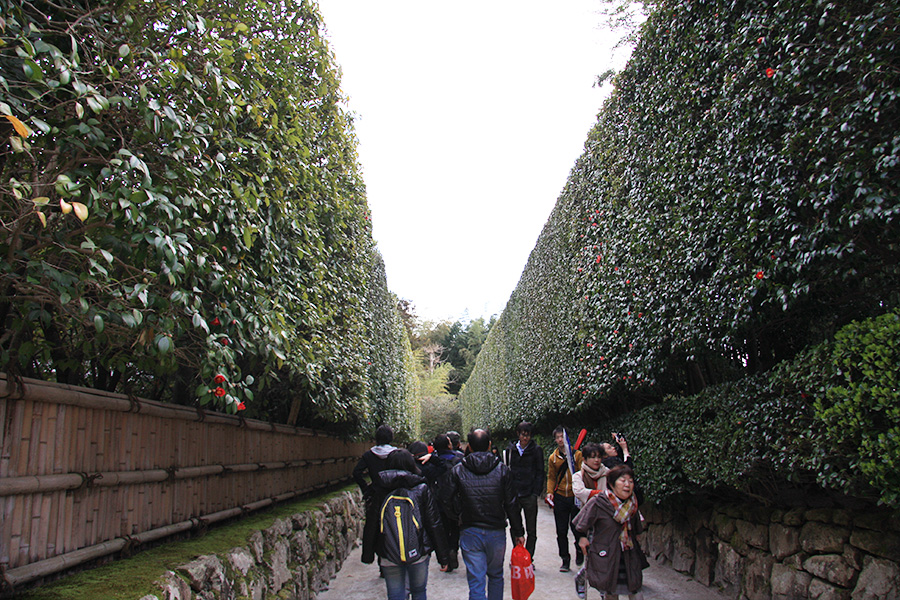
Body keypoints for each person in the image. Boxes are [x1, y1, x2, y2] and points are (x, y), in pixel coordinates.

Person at [442, 428, 525, 600]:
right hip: (496, 531)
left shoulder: (458, 471)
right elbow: (512, 504)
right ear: (489, 445)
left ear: (469, 447)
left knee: (476, 581)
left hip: (470, 530)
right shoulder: (502, 470)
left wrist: (458, 515)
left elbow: (445, 500)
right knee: (495, 576)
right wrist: (518, 532)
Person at [373, 449, 450, 600]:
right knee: (419, 590)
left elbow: (372, 523)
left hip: (389, 551)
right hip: (419, 550)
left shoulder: (380, 489)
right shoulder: (421, 488)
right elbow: (433, 523)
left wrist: (369, 553)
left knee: (395, 594)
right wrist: (443, 556)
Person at [573, 464, 647, 600]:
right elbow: (580, 524)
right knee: (610, 592)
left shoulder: (632, 504)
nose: (627, 485)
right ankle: (582, 577)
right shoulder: (599, 502)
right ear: (612, 484)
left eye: (630, 481)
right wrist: (582, 538)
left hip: (628, 555)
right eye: (623, 480)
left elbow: (637, 529)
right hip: (607, 555)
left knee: (636, 591)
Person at [352, 424, 397, 564]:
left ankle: (375, 557)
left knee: (374, 527)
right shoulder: (396, 454)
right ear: (391, 438)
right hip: (393, 495)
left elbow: (356, 473)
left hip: (376, 495)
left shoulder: (369, 455)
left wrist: (366, 488)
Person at [571, 442, 609, 598]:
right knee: (592, 556)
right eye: (592, 457)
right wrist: (601, 494)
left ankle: (603, 591)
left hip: (606, 520)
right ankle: (581, 578)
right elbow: (580, 492)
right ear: (585, 459)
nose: (596, 460)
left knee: (605, 556)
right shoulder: (578, 476)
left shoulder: (608, 474)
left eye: (599, 457)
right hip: (588, 522)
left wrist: (596, 494)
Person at [503, 421, 544, 561]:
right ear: (518, 434)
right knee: (515, 526)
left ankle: (528, 557)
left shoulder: (536, 450)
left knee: (531, 528)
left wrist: (535, 492)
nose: (525, 438)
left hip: (529, 493)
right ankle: (517, 554)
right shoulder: (510, 451)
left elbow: (540, 472)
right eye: (523, 435)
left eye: (527, 435)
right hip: (515, 493)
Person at [545, 426, 583, 572]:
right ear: (555, 440)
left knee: (577, 528)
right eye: (558, 437)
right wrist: (550, 492)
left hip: (575, 497)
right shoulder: (553, 458)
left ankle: (579, 550)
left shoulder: (577, 455)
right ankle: (565, 559)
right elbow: (551, 477)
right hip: (560, 496)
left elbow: (581, 473)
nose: (560, 439)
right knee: (561, 530)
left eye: (562, 436)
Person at [432, 433, 463, 572]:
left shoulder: (433, 460)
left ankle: (445, 557)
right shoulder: (458, 459)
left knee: (443, 528)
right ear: (449, 445)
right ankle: (453, 549)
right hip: (455, 500)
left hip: (438, 500)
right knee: (455, 527)